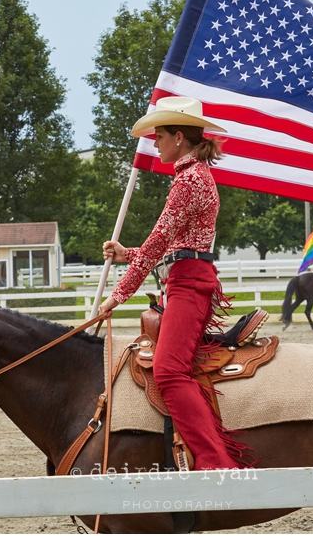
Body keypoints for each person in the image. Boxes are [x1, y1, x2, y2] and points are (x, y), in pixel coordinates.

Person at [97, 96, 247, 471]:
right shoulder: (192, 177)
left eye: (159, 136)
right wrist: (126, 254)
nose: (155, 143)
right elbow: (173, 247)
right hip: (183, 278)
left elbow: (158, 244)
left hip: (188, 285)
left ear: (179, 137)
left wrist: (117, 295)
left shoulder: (189, 180)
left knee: (167, 370)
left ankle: (216, 462)